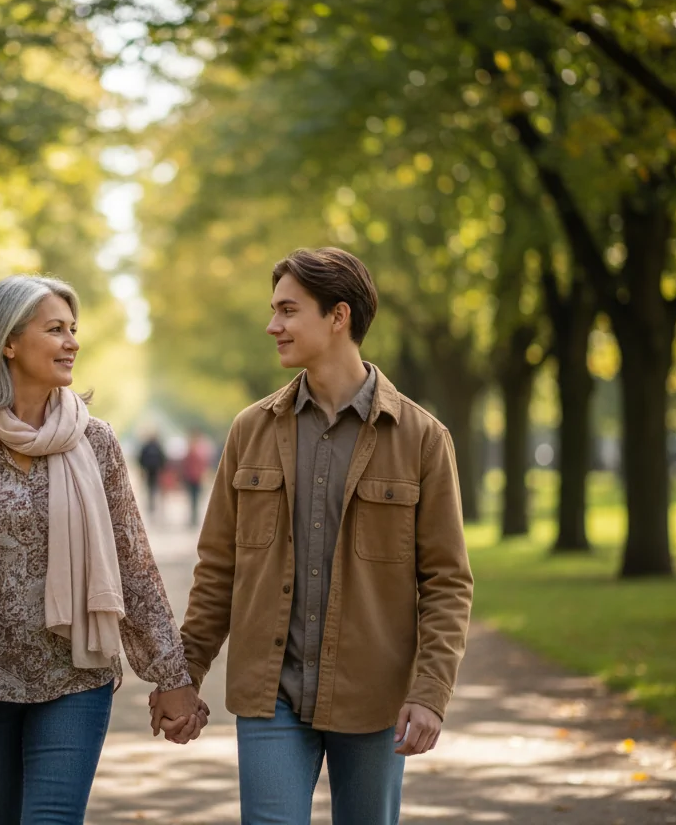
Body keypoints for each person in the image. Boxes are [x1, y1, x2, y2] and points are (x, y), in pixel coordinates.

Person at [169, 247, 474, 824]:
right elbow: (218, 569)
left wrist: (429, 691)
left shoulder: (422, 438)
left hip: (375, 697)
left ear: (338, 317)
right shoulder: (250, 430)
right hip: (269, 694)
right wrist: (185, 674)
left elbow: (447, 581)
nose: (272, 325)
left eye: (288, 311)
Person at [0, 275, 208, 824]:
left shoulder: (96, 442)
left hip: (75, 676)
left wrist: (171, 676)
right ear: (7, 342)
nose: (72, 342)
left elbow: (132, 565)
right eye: (55, 329)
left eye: (73, 329)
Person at [181, 431, 213, 527]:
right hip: (192, 477)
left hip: (195, 477)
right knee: (193, 498)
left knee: (195, 498)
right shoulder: (195, 450)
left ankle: (194, 518)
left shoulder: (196, 450)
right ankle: (193, 518)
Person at [136, 433, 166, 518]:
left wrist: (142, 469)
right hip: (155, 470)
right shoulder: (157, 446)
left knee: (150, 487)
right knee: (154, 487)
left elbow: (140, 459)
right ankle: (153, 504)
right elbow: (163, 458)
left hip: (149, 470)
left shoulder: (147, 447)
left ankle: (151, 504)